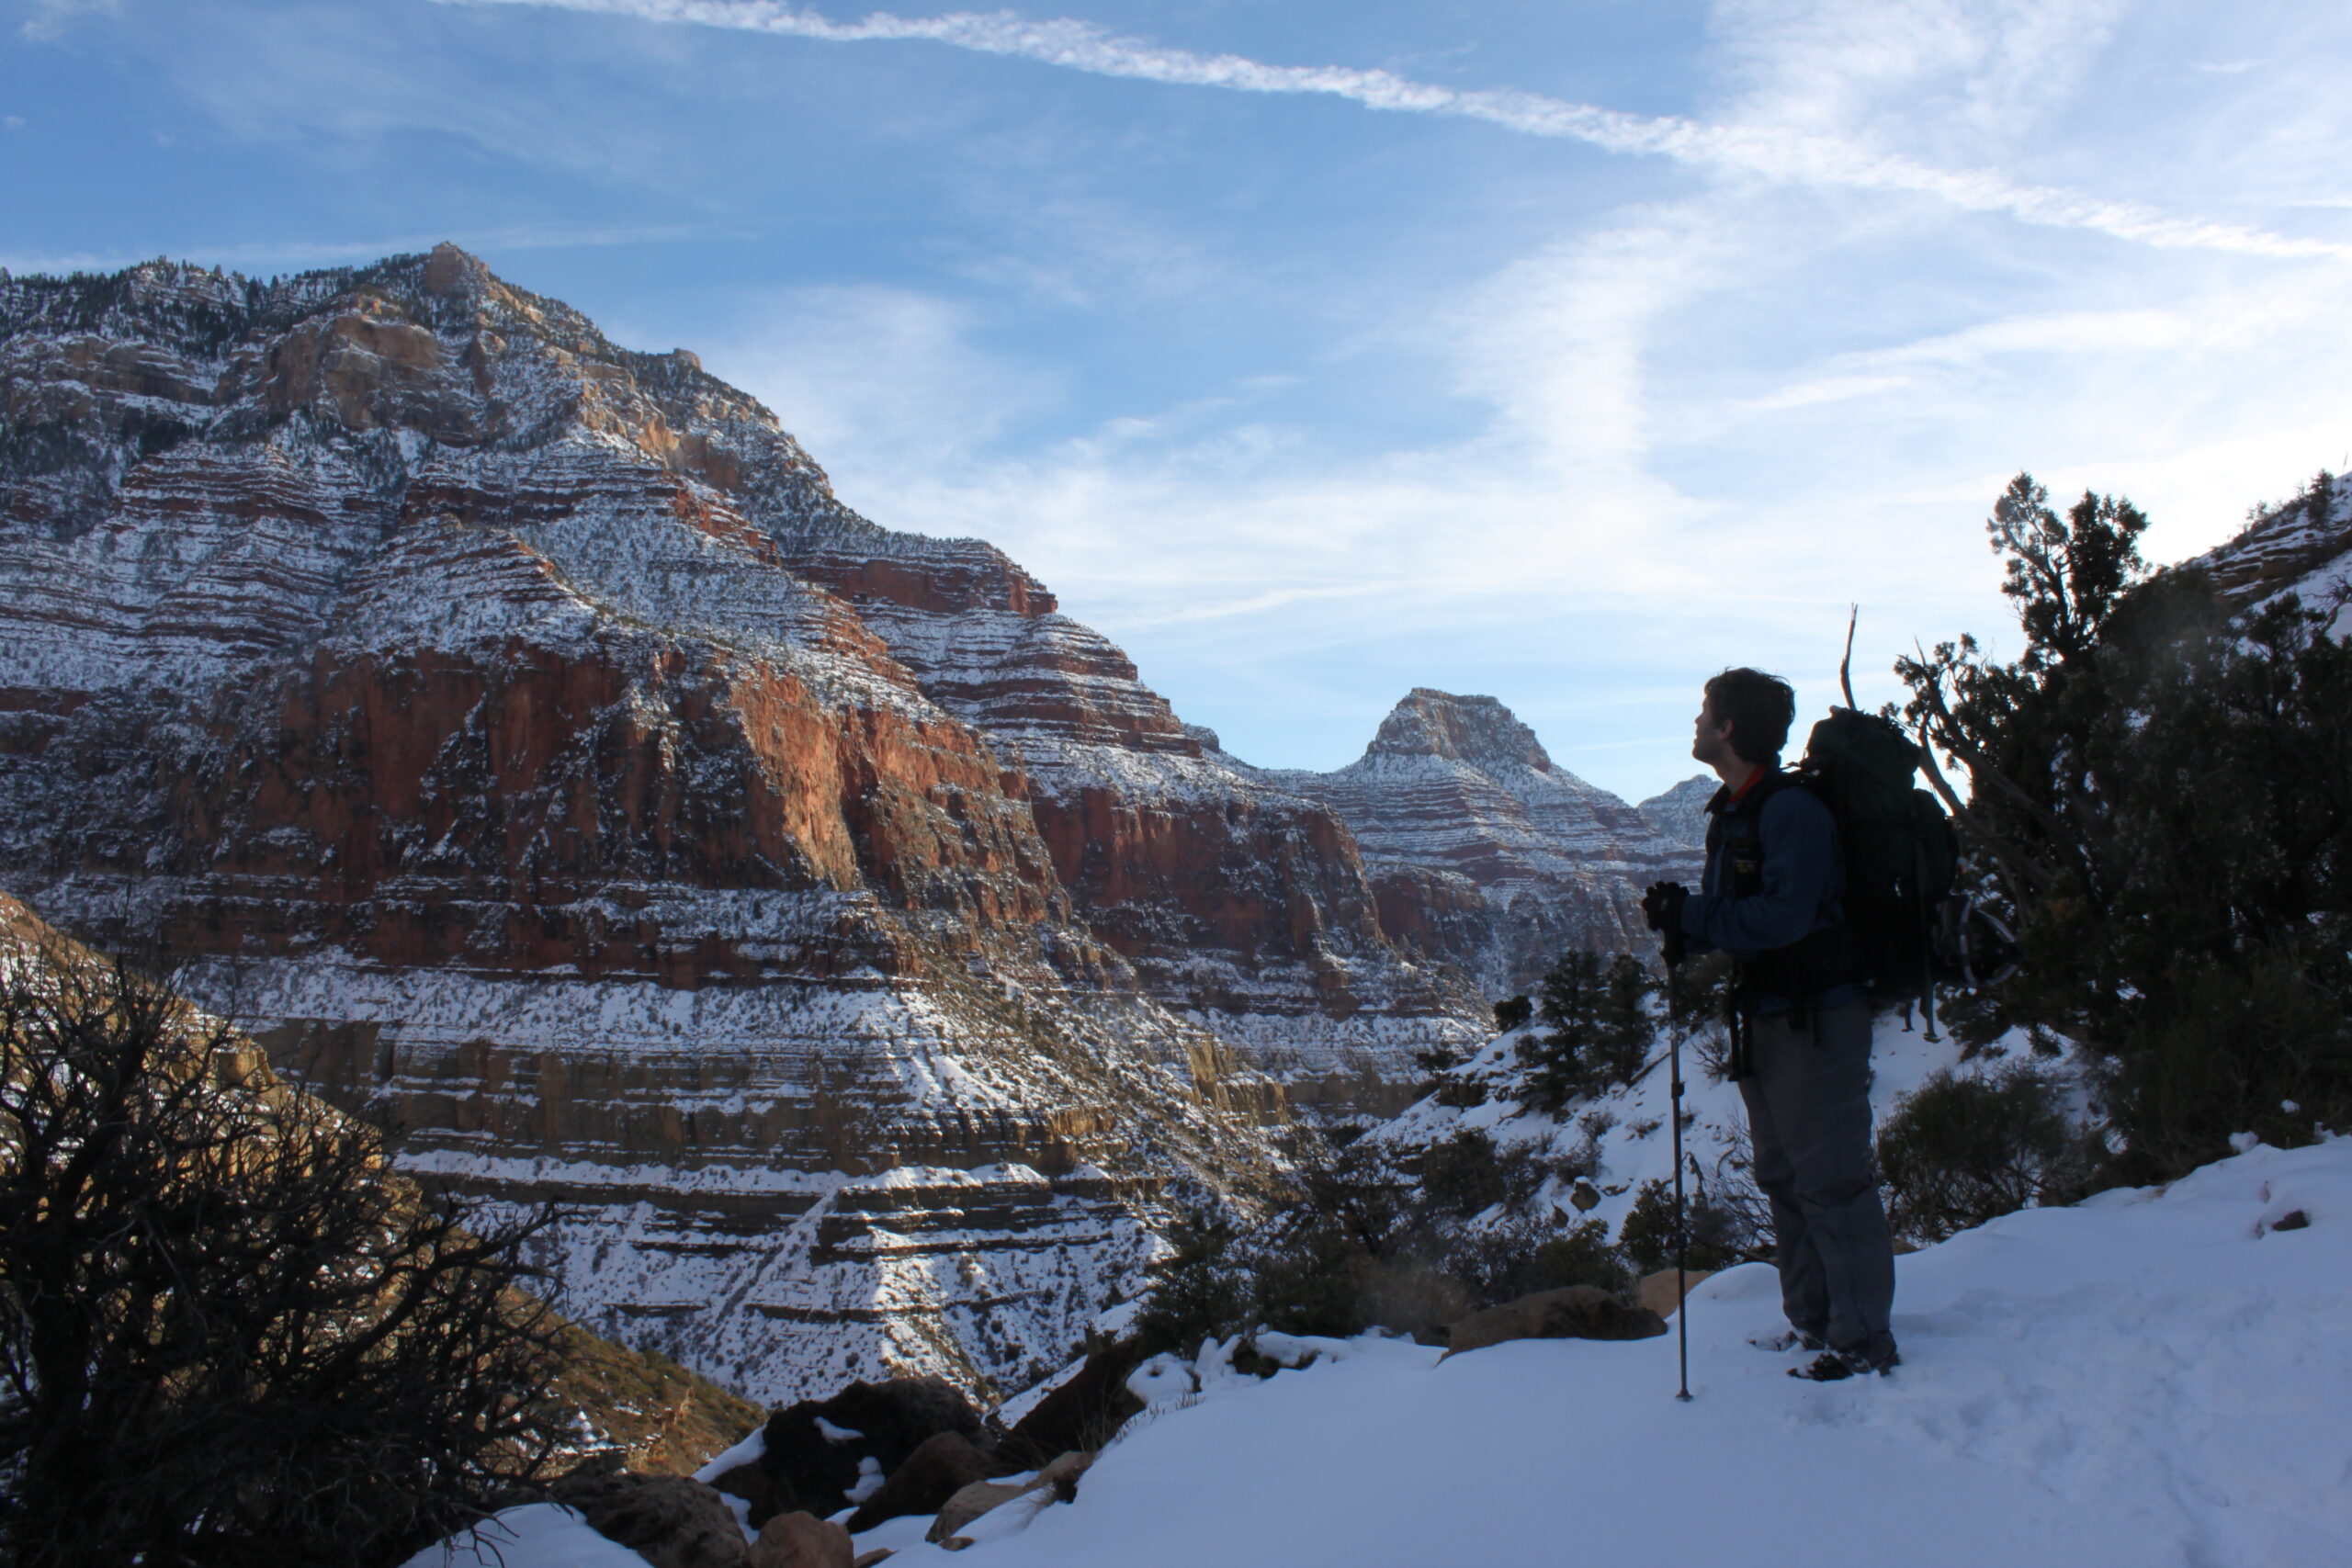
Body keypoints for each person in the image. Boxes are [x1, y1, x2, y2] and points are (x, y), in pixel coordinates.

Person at [1641, 668, 1899, 1382]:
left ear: (1728, 728)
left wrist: (1694, 916)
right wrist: (1682, 922)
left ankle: (1863, 1340)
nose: (1696, 723)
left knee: (1832, 1179)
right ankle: (1814, 1322)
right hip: (1772, 1016)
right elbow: (1745, 920)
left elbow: (1786, 917)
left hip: (1819, 1018)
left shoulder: (1791, 811)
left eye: (1705, 713)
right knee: (1783, 1175)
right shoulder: (1733, 809)